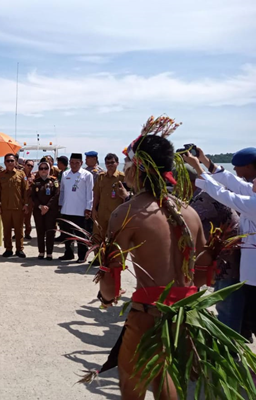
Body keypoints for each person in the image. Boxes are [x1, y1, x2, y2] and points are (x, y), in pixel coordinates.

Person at [94, 116, 219, 399]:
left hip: (148, 316)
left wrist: (105, 300)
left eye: (128, 163)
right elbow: (202, 274)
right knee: (168, 381)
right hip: (186, 320)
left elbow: (111, 285)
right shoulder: (189, 212)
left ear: (138, 168)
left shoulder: (127, 213)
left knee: (132, 385)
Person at [185, 147, 256, 337]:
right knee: (247, 317)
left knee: (247, 317)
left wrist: (199, 169)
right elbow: (234, 183)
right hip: (248, 273)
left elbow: (225, 195)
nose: (250, 184)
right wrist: (204, 160)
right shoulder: (252, 195)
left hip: (252, 274)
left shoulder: (253, 204)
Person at [180, 164, 243, 333]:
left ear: (187, 181)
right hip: (221, 257)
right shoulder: (199, 195)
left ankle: (231, 349)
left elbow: (185, 224)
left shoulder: (204, 198)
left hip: (227, 259)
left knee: (225, 303)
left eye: (178, 182)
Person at [58, 153, 93, 263]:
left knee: (80, 235)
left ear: (81, 163)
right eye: (72, 162)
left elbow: (90, 193)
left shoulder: (87, 175)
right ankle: (68, 253)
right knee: (67, 234)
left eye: (76, 163)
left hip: (80, 210)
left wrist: (89, 208)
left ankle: (82, 256)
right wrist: (60, 204)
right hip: (67, 209)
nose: (74, 165)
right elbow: (62, 191)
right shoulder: (65, 174)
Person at [0, 153, 28, 258]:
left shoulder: (21, 174)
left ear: (15, 162)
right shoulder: (0, 175)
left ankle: (19, 249)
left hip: (18, 207)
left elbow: (26, 190)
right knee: (7, 229)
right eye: (8, 161)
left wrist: (26, 204)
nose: (10, 163)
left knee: (19, 230)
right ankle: (8, 249)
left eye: (12, 161)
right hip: (5, 207)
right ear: (4, 162)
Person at [92, 153, 126, 243]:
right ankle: (99, 257)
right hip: (101, 213)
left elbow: (125, 197)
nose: (109, 165)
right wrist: (94, 209)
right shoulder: (101, 177)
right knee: (97, 237)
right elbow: (96, 195)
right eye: (107, 163)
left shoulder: (122, 178)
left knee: (115, 239)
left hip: (116, 213)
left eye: (112, 162)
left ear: (117, 163)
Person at [31, 161, 60, 260]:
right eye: (41, 168)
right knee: (40, 231)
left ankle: (49, 253)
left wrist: (47, 206)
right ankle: (41, 252)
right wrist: (40, 206)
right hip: (38, 210)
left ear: (49, 170)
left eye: (45, 168)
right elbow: (33, 197)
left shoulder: (54, 181)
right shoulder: (36, 182)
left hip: (51, 211)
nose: (43, 170)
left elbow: (56, 195)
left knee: (50, 231)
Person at [22, 159, 35, 240]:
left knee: (28, 217)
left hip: (29, 200)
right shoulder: (19, 174)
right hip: (20, 199)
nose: (30, 167)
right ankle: (18, 232)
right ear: (24, 165)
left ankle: (27, 233)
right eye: (28, 165)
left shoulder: (33, 176)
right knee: (19, 218)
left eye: (31, 166)